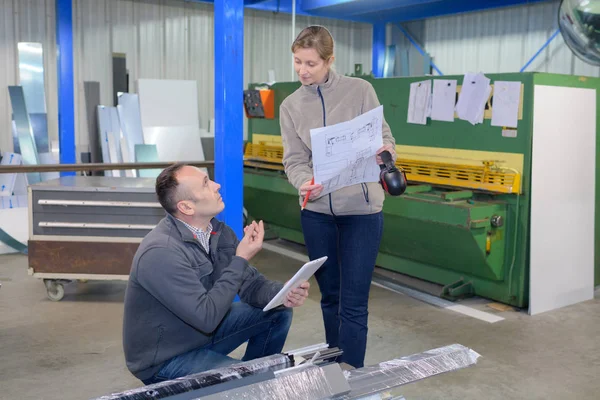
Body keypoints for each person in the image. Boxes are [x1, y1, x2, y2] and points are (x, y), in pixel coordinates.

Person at [122, 163, 310, 384]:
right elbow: (207, 318)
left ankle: (258, 380)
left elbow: (250, 285)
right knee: (241, 380)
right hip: (165, 358)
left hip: (199, 336)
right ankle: (248, 384)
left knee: (278, 312)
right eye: (205, 184)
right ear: (187, 207)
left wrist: (284, 292)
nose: (216, 185)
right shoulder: (161, 252)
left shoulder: (217, 232)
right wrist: (241, 258)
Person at [279, 25, 396, 369]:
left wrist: (386, 151)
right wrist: (303, 181)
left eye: (311, 63)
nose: (302, 70)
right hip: (317, 213)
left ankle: (353, 374)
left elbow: (384, 136)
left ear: (330, 61)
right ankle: (334, 367)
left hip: (362, 212)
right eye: (297, 61)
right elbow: (294, 159)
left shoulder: (360, 91)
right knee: (330, 297)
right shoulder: (290, 106)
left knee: (354, 300)